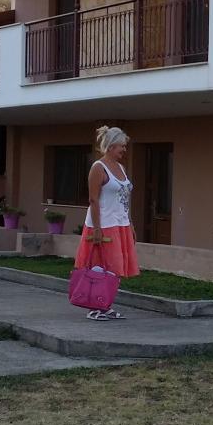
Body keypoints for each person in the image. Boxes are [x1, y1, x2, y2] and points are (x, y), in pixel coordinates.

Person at [75, 125, 140, 320]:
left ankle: (105, 304)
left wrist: (130, 224)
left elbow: (123, 199)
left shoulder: (121, 168)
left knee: (115, 269)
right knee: (101, 266)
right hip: (103, 225)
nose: (124, 150)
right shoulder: (98, 167)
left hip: (120, 224)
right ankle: (94, 307)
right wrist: (96, 229)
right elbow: (93, 200)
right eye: (122, 146)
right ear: (111, 146)